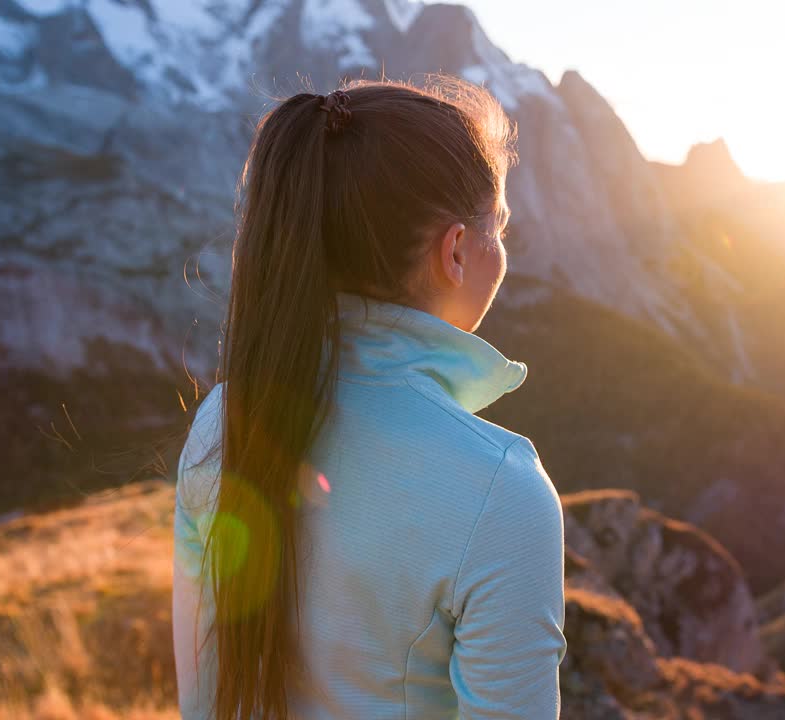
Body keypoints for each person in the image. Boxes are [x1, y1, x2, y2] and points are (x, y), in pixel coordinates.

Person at [171, 76, 567, 720]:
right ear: (457, 252)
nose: (503, 249)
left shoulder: (222, 421)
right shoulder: (501, 490)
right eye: (498, 226)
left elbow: (204, 698)